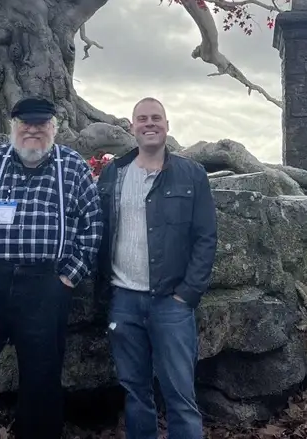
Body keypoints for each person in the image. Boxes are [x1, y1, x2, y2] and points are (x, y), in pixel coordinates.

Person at [0, 97, 103, 439]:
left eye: (41, 125)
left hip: (45, 286)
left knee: (42, 374)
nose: (33, 130)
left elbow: (93, 228)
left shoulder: (73, 167)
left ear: (53, 128)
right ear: (13, 127)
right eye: (25, 125)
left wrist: (67, 278)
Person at [95, 97, 218, 439]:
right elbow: (98, 229)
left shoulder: (191, 174)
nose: (149, 124)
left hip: (172, 303)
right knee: (136, 394)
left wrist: (187, 294)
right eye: (142, 119)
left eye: (156, 118)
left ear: (167, 125)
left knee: (180, 395)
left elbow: (206, 237)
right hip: (124, 300)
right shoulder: (114, 173)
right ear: (132, 127)